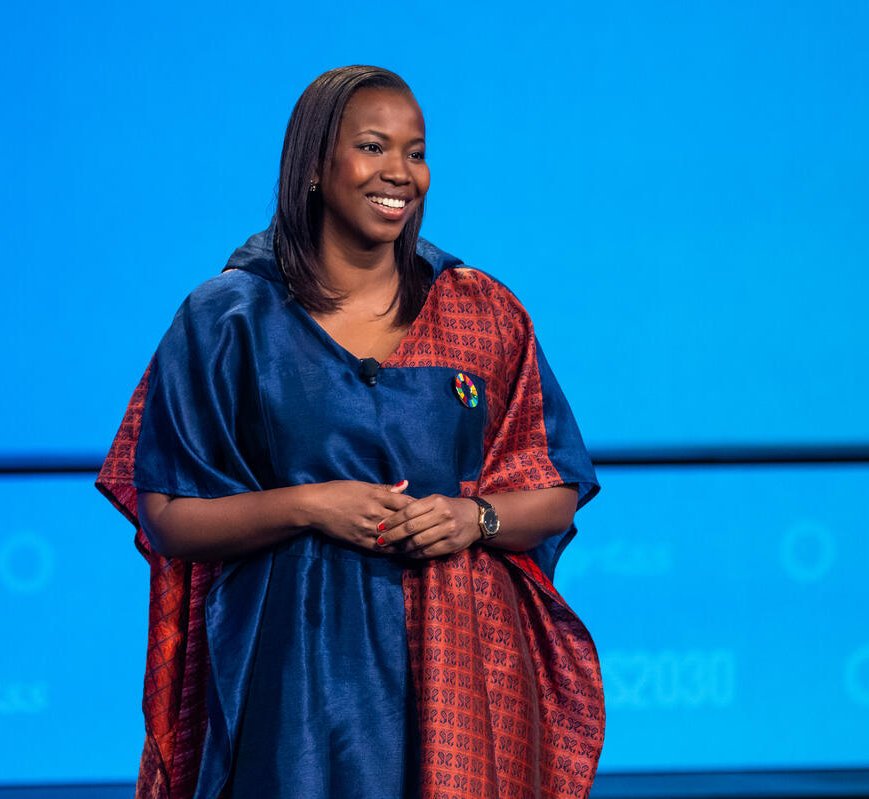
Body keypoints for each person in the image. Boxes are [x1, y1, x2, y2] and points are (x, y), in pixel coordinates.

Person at [97, 65, 604, 799]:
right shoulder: (229, 319)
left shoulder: (482, 311)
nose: (401, 172)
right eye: (373, 146)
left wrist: (474, 517)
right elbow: (167, 515)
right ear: (312, 167)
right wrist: (311, 505)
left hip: (458, 678)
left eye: (416, 151)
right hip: (293, 685)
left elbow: (553, 484)